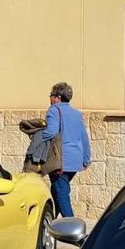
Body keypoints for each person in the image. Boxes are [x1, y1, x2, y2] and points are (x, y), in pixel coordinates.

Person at [41, 82, 91, 217]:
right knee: (57, 188)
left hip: (60, 161)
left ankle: (71, 229)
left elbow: (51, 132)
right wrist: (86, 159)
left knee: (62, 193)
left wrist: (37, 136)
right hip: (75, 161)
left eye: (51, 95)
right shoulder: (76, 113)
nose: (50, 98)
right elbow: (84, 137)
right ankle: (51, 217)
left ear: (57, 97)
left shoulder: (54, 110)